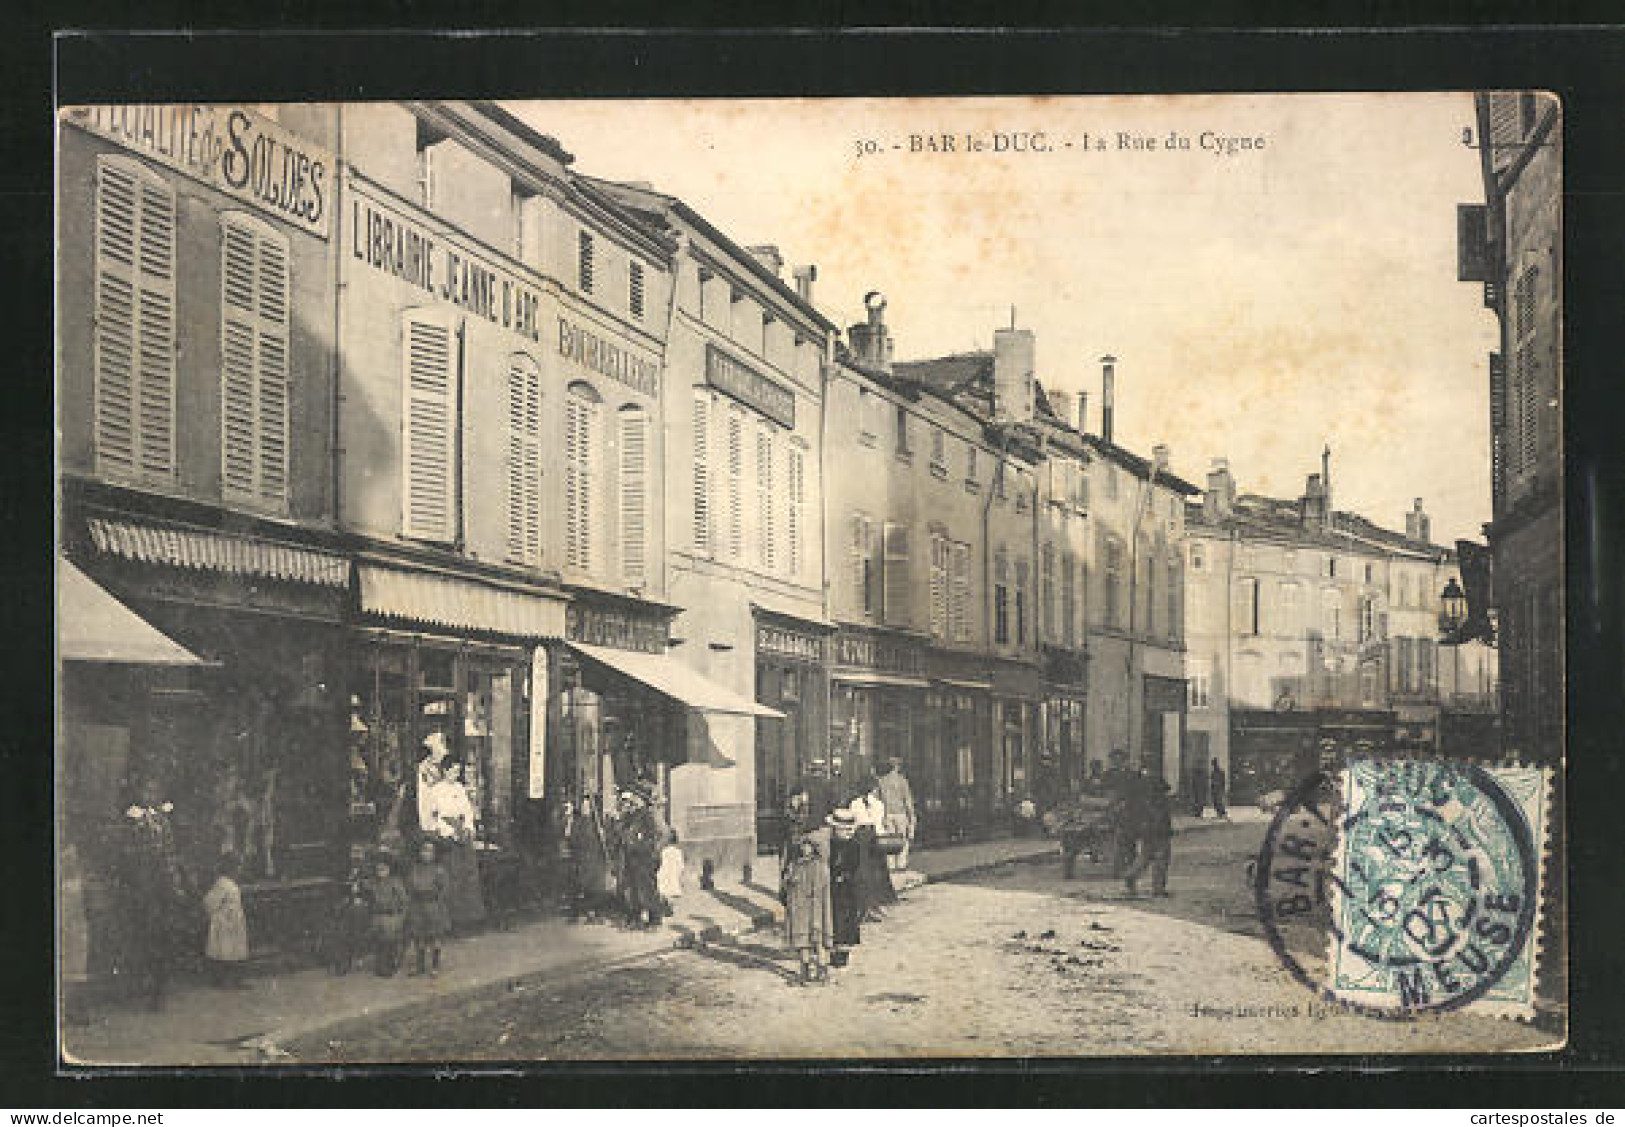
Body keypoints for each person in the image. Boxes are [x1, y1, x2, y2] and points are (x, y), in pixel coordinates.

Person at [121, 779, 188, 1010]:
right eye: (146, 790)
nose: (150, 795)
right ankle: (147, 985)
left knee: (163, 935)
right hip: (143, 885)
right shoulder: (133, 818)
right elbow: (130, 852)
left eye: (154, 791)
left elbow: (170, 854)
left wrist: (176, 886)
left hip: (161, 886)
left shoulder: (163, 820)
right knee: (145, 935)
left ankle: (159, 989)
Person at [781, 835, 832, 986]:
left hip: (816, 909)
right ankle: (804, 971)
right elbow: (787, 883)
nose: (805, 849)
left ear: (814, 848)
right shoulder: (795, 865)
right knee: (802, 942)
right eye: (803, 846)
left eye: (808, 846)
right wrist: (789, 881)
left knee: (818, 941)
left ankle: (822, 971)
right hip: (800, 909)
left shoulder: (819, 866)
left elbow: (822, 887)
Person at [617, 787, 668, 930]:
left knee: (648, 889)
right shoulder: (629, 816)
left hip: (645, 857)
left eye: (635, 798)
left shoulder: (648, 815)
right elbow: (624, 833)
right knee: (633, 889)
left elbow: (658, 835)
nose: (632, 801)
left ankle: (654, 919)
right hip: (631, 857)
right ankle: (635, 918)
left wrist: (652, 850)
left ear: (641, 800)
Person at [405, 838, 451, 977]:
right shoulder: (415, 869)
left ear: (435, 853)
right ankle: (420, 966)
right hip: (418, 906)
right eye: (424, 850)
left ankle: (435, 966)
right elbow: (409, 886)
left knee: (435, 937)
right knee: (419, 937)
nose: (426, 853)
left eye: (430, 851)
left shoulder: (439, 870)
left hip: (434, 906)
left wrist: (438, 902)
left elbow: (445, 889)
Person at [201, 856, 249, 988]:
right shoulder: (222, 883)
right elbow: (209, 902)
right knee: (225, 951)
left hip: (234, 921)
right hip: (225, 922)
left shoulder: (230, 883)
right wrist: (219, 914)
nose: (239, 870)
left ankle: (234, 980)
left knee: (235, 950)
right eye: (237, 867)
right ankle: (224, 980)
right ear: (230, 868)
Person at [825, 809, 863, 967]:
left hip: (848, 887)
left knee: (847, 919)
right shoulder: (831, 845)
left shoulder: (854, 845)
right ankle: (835, 950)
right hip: (834, 887)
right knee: (835, 918)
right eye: (844, 830)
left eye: (850, 830)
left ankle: (843, 952)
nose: (848, 833)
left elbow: (854, 864)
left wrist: (846, 874)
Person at [1124, 777, 1174, 897]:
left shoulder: (1146, 800)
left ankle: (1131, 875)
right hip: (1160, 833)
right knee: (1161, 861)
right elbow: (1162, 819)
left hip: (1148, 832)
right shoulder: (1162, 802)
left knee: (1144, 857)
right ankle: (1158, 888)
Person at [367, 852, 408, 977]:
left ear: (389, 869)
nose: (381, 871)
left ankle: (390, 967)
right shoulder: (374, 883)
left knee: (390, 943)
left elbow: (404, 900)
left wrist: (402, 917)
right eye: (378, 869)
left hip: (391, 917)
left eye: (383, 869)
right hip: (378, 916)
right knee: (379, 942)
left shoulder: (395, 882)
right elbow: (370, 896)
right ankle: (380, 966)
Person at [876, 758, 916, 870]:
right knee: (902, 839)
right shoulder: (902, 781)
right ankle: (901, 864)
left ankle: (891, 864)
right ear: (898, 767)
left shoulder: (882, 781)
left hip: (887, 813)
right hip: (900, 813)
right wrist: (912, 815)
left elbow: (877, 799)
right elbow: (907, 800)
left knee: (890, 840)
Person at [657, 829, 686, 915]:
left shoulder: (664, 851)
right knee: (673, 890)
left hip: (665, 873)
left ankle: (666, 907)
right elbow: (681, 865)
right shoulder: (678, 851)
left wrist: (659, 872)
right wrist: (680, 873)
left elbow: (661, 863)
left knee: (664, 890)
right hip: (673, 872)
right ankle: (669, 907)